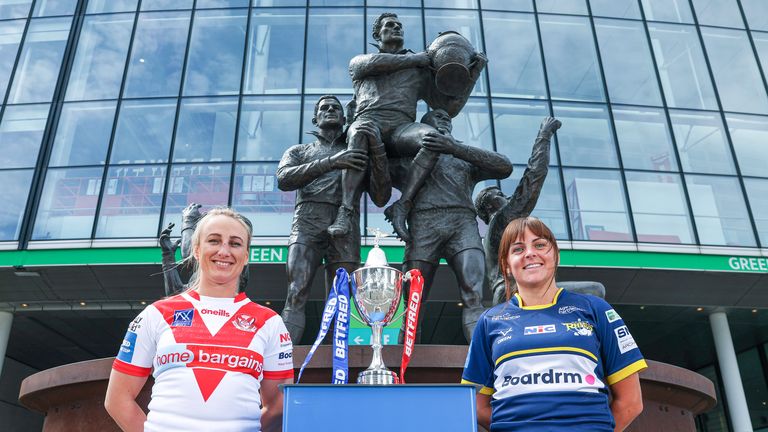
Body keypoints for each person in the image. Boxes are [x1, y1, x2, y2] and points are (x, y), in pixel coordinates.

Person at [105, 208, 294, 432]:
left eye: (235, 243)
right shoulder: (155, 313)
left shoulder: (269, 322)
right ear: (196, 249)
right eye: (214, 241)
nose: (224, 251)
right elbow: (117, 399)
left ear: (246, 256)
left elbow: (278, 406)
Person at [462, 216, 646, 431]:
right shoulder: (489, 321)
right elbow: (475, 405)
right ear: (506, 264)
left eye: (540, 244)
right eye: (518, 249)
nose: (530, 253)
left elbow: (631, 403)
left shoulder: (597, 310)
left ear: (556, 255)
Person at [327, 12, 486, 241]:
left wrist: (472, 76)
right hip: (367, 120)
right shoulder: (361, 63)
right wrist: (417, 59)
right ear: (377, 34)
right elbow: (372, 64)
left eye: (399, 25)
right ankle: (346, 209)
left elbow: (446, 108)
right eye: (390, 25)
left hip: (401, 128)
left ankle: (403, 205)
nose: (396, 28)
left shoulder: (419, 69)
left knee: (433, 138)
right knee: (360, 132)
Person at [389, 109, 512, 342]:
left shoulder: (464, 157)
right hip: (424, 223)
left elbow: (504, 167)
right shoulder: (409, 160)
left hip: (462, 224)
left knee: (473, 295)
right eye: (436, 117)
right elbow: (378, 182)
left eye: (447, 118)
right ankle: (406, 364)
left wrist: (454, 147)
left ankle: (483, 356)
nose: (444, 118)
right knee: (415, 299)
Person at [276, 95, 390, 343]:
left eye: (335, 108)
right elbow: (284, 179)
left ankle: (336, 364)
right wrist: (330, 162)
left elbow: (381, 197)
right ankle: (282, 358)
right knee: (296, 292)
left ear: (345, 116)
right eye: (324, 108)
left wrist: (378, 150)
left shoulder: (357, 149)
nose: (330, 110)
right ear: (315, 118)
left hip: (345, 225)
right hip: (307, 222)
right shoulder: (299, 151)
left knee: (341, 300)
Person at [474, 117, 559, 305]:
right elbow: (532, 180)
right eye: (500, 195)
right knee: (594, 291)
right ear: (489, 206)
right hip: (513, 292)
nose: (507, 198)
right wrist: (544, 135)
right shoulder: (501, 220)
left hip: (510, 291)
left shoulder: (498, 230)